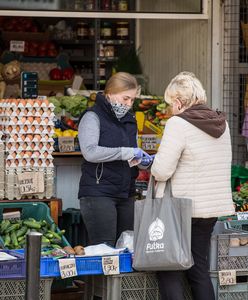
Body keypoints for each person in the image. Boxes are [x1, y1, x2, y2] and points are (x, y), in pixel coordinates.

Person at [151, 71, 235, 300]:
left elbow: (162, 170)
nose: (170, 109)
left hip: (180, 208)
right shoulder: (221, 123)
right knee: (198, 268)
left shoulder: (178, 123)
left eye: (170, 103)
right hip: (210, 209)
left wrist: (151, 166)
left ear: (179, 102)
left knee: (170, 268)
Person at [78, 72, 152, 247]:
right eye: (125, 98)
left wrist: (143, 161)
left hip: (126, 193)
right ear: (110, 93)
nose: (128, 104)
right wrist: (126, 152)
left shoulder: (130, 120)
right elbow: (90, 152)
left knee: (126, 246)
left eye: (132, 100)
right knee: (104, 250)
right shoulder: (92, 117)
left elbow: (130, 155)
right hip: (98, 193)